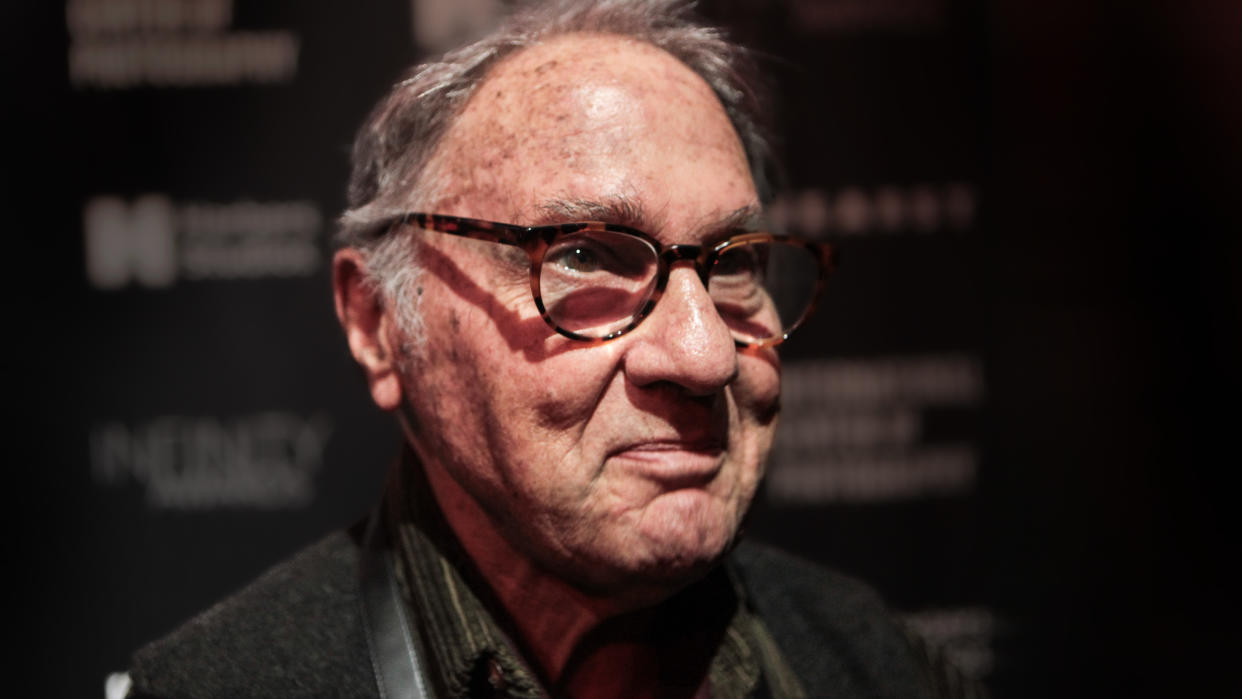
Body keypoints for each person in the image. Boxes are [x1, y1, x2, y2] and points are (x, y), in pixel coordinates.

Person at [121, 1, 977, 697]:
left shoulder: (879, 664)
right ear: (380, 322)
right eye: (582, 256)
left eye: (735, 264)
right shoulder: (217, 688)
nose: (704, 354)